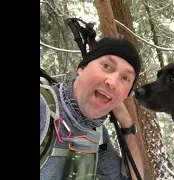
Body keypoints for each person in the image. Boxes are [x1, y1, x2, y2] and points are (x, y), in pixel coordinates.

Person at [40, 37, 144, 180]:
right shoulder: (43, 108)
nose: (112, 82)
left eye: (125, 78)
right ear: (81, 68)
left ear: (126, 95)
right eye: (106, 66)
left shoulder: (96, 134)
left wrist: (127, 125)